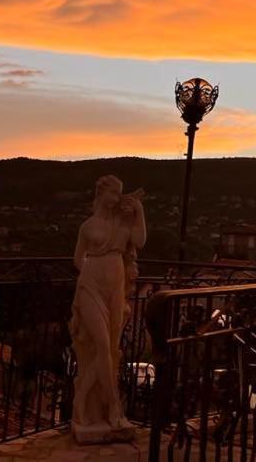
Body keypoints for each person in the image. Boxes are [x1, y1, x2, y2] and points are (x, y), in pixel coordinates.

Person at [70, 175, 146, 440]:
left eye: (120, 193)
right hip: (90, 286)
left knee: (109, 349)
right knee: (102, 344)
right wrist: (89, 273)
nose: (117, 198)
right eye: (114, 193)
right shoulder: (87, 226)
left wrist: (140, 211)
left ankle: (81, 400)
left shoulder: (123, 223)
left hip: (115, 286)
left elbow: (140, 240)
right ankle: (114, 409)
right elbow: (78, 258)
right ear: (102, 193)